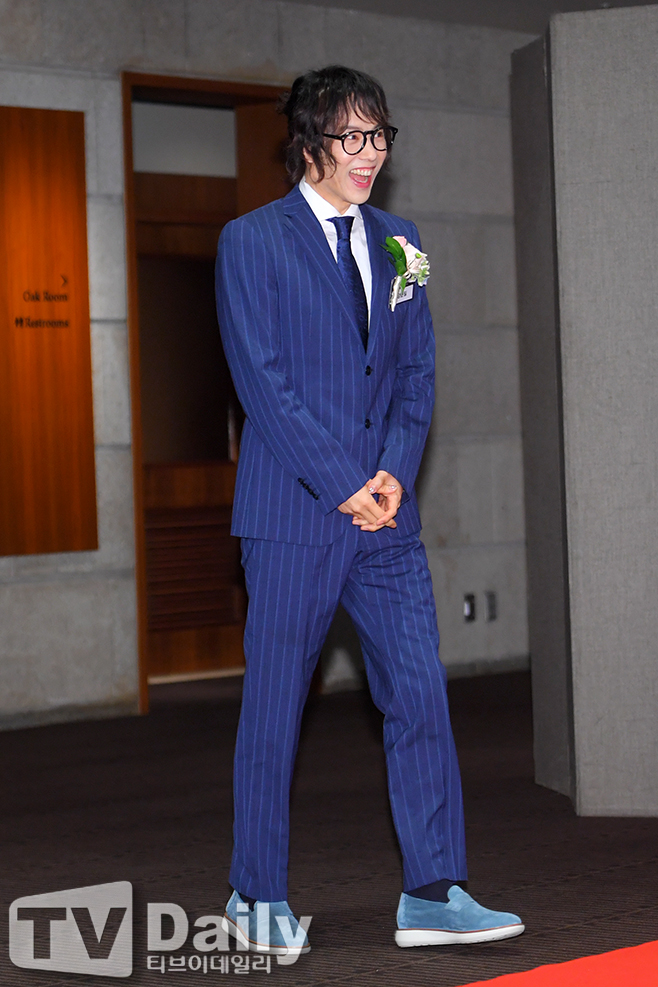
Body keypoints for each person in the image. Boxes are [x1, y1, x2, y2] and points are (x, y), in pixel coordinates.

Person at [215, 65, 524, 955]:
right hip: (293, 515)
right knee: (276, 707)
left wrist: (392, 471)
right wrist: (341, 477)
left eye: (379, 135)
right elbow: (261, 382)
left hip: (385, 517)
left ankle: (432, 890)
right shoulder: (251, 240)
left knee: (419, 692)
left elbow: (416, 371)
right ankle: (253, 895)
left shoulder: (401, 242)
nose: (370, 153)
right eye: (352, 135)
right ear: (308, 140)